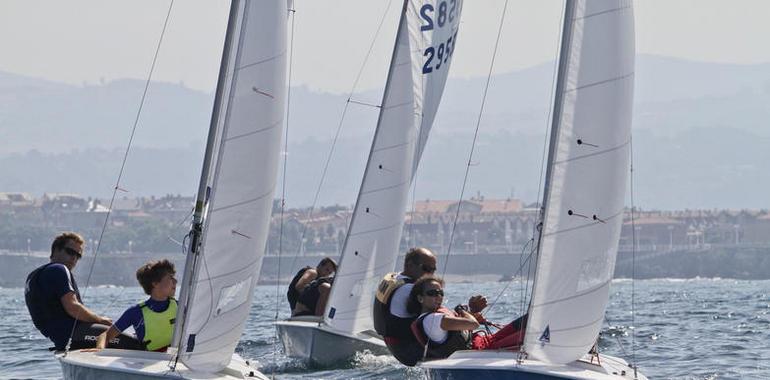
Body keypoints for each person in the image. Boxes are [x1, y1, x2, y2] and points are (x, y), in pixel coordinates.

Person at [372, 247, 487, 366]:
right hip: (411, 350)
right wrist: (470, 311)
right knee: (462, 336)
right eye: (427, 269)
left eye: (433, 270)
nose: (431, 274)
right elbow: (441, 317)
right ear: (410, 265)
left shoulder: (395, 278)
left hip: (397, 348)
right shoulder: (409, 290)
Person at [25, 232, 141, 351]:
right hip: (75, 335)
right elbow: (72, 307)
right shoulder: (59, 269)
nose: (74, 258)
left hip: (61, 339)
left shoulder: (33, 276)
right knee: (139, 344)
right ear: (56, 250)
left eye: (78, 256)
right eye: (70, 252)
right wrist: (100, 320)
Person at [407, 276, 527, 362]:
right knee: (530, 334)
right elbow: (473, 324)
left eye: (440, 293)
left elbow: (463, 326)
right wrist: (461, 310)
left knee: (526, 322)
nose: (438, 296)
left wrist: (472, 311)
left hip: (485, 343)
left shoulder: (433, 318)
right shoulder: (433, 320)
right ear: (420, 298)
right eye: (432, 293)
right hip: (483, 352)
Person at [94, 259, 178, 352]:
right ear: (155, 283)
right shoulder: (136, 312)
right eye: (170, 277)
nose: (175, 281)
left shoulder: (180, 308)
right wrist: (99, 350)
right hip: (149, 361)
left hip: (176, 360)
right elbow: (105, 335)